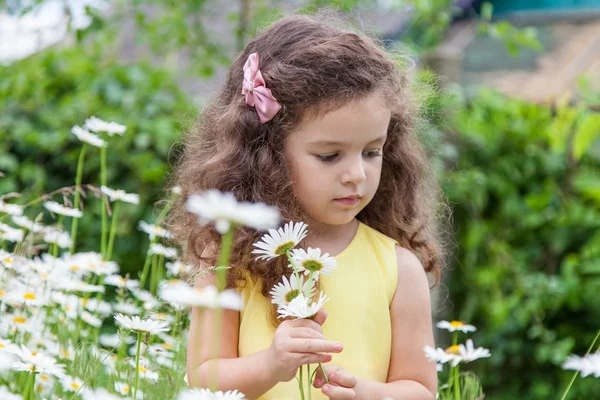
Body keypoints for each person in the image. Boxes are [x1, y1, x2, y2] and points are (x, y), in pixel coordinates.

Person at [167, 13, 445, 400]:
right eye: (330, 155)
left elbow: (420, 389)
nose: (356, 175)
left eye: (371, 152)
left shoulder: (397, 269)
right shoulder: (229, 256)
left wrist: (367, 393)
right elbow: (204, 375)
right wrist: (271, 364)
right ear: (269, 155)